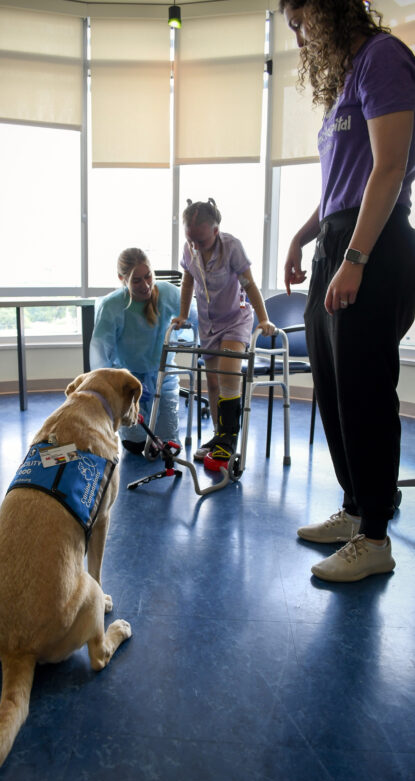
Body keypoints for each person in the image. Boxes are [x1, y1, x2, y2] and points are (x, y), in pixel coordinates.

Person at [281, 0, 415, 581]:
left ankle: (377, 537)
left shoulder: (384, 59)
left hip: (374, 242)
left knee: (363, 388)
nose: (300, 37)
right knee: (332, 387)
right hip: (336, 242)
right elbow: (339, 186)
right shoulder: (345, 85)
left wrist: (356, 257)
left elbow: (389, 167)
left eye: (300, 21)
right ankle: (358, 505)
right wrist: (300, 237)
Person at [172, 198, 275, 470]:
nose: (194, 246)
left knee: (229, 376)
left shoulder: (232, 247)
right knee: (214, 384)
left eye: (201, 241)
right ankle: (219, 436)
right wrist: (183, 315)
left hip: (236, 319)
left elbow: (250, 285)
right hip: (209, 321)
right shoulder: (189, 249)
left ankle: (229, 440)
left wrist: (263, 319)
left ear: (216, 231)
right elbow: (187, 282)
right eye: (190, 240)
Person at [90, 247, 194, 455]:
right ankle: (136, 434)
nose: (145, 285)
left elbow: (195, 323)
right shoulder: (112, 306)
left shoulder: (168, 293)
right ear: (122, 279)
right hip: (129, 381)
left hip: (164, 376)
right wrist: (115, 387)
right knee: (136, 445)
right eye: (136, 280)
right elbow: (100, 354)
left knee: (168, 446)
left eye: (148, 276)